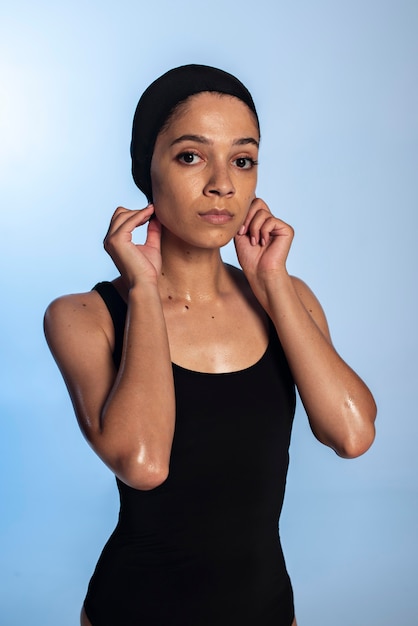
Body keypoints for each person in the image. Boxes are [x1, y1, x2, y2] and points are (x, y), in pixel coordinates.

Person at [44, 64, 377, 626]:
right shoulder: (84, 316)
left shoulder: (286, 295)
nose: (223, 182)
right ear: (146, 169)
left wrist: (272, 284)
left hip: (269, 611)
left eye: (242, 160)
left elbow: (351, 434)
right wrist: (144, 294)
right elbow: (143, 464)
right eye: (191, 156)